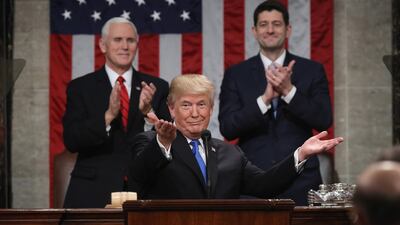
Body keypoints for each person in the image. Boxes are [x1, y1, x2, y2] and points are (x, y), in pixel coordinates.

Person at [128, 74, 342, 199]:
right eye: (186, 105)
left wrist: (301, 154)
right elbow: (137, 178)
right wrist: (162, 143)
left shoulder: (230, 153)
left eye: (201, 104)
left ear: (211, 109)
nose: (195, 113)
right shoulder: (150, 142)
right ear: (172, 109)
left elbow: (265, 185)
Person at [218, 0, 332, 205]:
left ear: (288, 30)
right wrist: (265, 100)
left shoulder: (312, 70)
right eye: (263, 24)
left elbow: (324, 120)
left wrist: (289, 91)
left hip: (302, 180)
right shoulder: (236, 74)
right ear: (254, 30)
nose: (270, 30)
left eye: (276, 24)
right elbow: (228, 128)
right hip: (252, 180)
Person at [62, 17, 170, 208]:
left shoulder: (157, 87)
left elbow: (168, 143)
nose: (125, 46)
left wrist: (148, 113)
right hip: (93, 191)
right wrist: (108, 116)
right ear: (103, 45)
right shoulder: (80, 87)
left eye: (130, 40)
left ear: (137, 45)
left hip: (144, 189)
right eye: (117, 40)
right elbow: (72, 140)